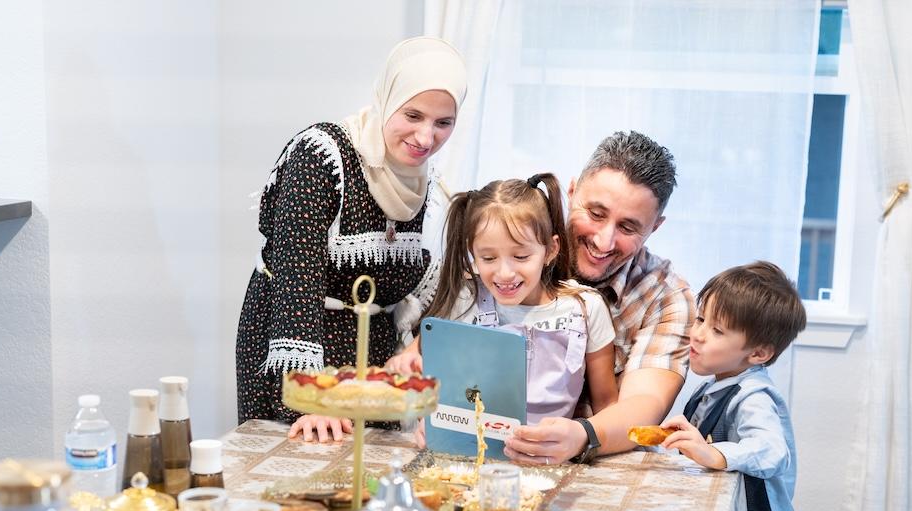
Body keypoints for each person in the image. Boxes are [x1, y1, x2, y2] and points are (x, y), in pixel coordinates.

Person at [235, 37, 467, 442]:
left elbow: (416, 283)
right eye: (413, 115)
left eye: (443, 123)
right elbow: (296, 279)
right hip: (296, 347)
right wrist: (309, 398)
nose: (425, 137)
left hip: (368, 359)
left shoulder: (422, 180)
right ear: (387, 100)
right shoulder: (322, 155)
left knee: (366, 473)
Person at [503, 131, 695, 464]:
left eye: (628, 228)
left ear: (654, 227)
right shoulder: (514, 251)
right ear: (572, 191)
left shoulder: (667, 297)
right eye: (595, 214)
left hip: (602, 466)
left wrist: (582, 436)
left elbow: (644, 403)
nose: (604, 241)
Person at [659, 261, 806, 511]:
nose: (698, 334)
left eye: (718, 330)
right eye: (701, 319)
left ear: (758, 353)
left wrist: (715, 453)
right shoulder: (715, 385)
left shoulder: (753, 396)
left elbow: (772, 451)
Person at [388, 173, 618, 424]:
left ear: (551, 250)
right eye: (488, 258)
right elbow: (406, 370)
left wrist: (581, 438)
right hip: (472, 444)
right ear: (473, 253)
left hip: (552, 447)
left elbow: (607, 407)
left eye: (521, 257)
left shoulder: (586, 308)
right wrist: (406, 366)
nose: (505, 273)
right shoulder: (467, 298)